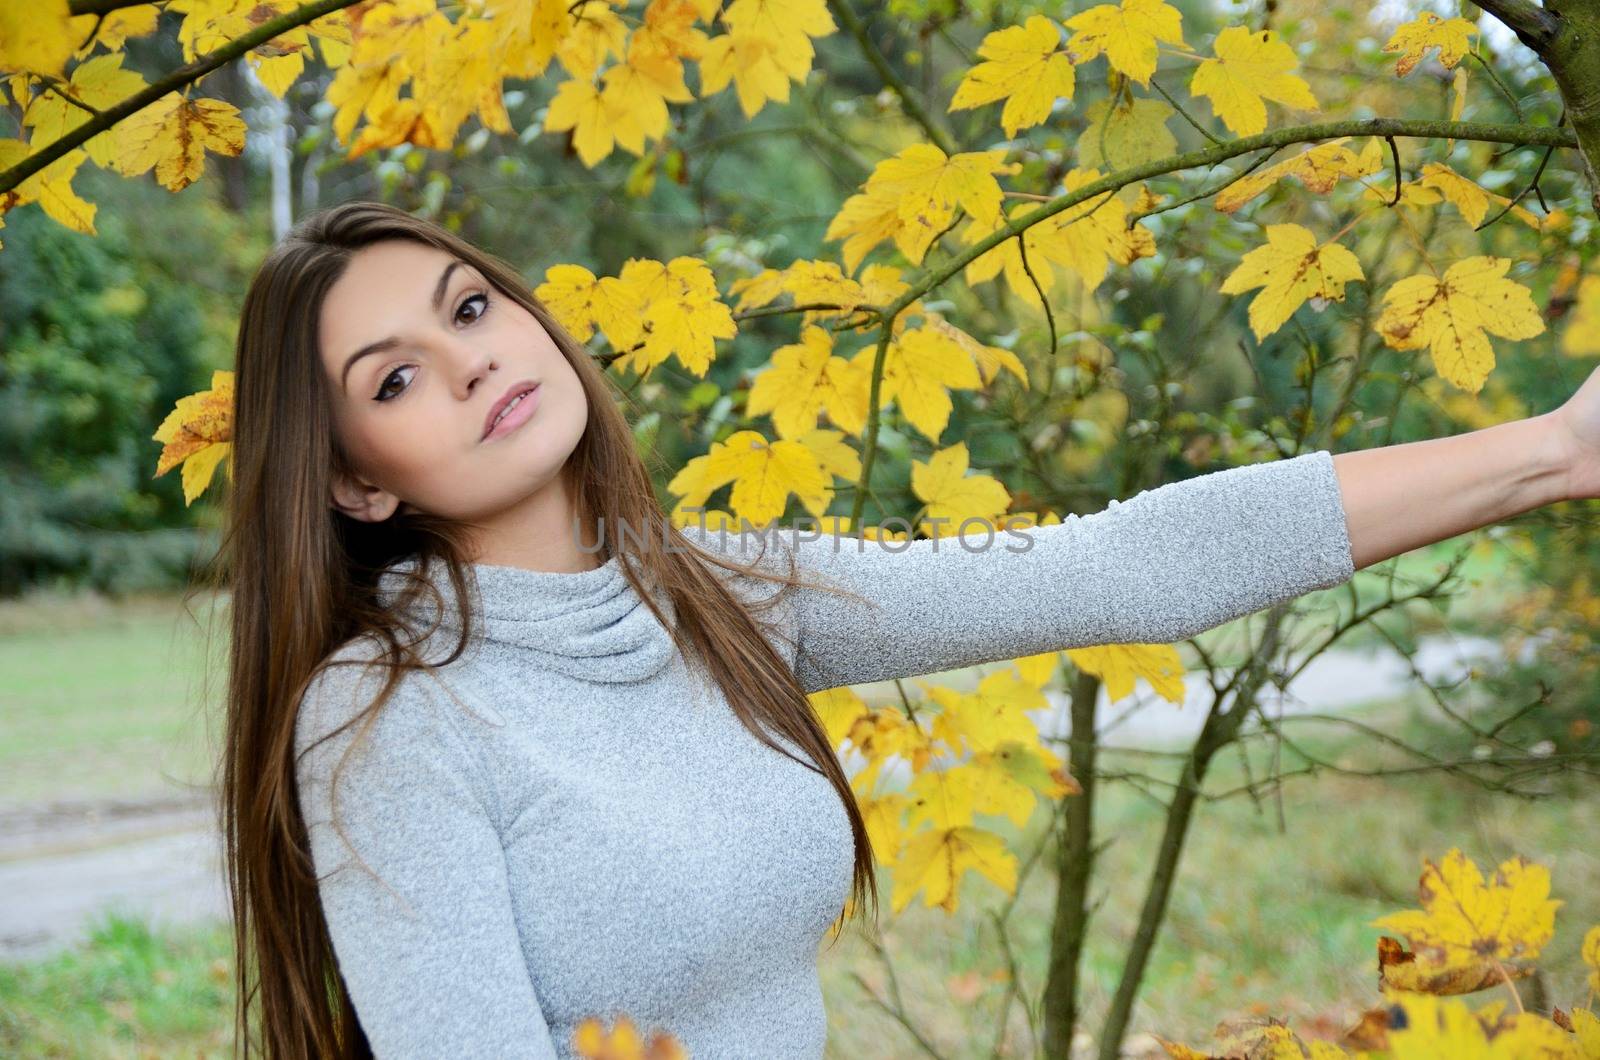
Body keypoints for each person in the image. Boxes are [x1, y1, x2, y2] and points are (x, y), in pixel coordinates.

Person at [216, 199, 1600, 1059]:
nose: (472, 359)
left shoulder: (724, 593)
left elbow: (1119, 564)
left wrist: (1554, 449)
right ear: (355, 477)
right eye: (398, 375)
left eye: (472, 307)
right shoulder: (387, 721)